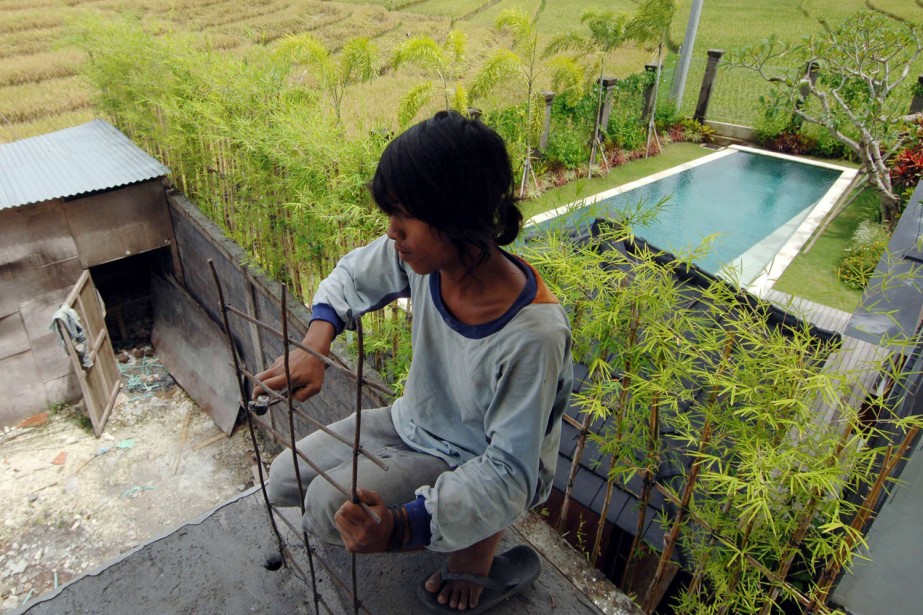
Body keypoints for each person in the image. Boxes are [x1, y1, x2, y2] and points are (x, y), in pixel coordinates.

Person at [257, 110, 573, 613]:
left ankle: (477, 553)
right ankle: (446, 523)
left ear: (456, 217)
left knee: (324, 509)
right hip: (413, 421)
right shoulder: (429, 261)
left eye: (404, 216)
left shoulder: (533, 335)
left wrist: (402, 527)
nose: (392, 231)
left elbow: (510, 471)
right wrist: (315, 345)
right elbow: (352, 276)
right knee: (283, 478)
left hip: (475, 457)